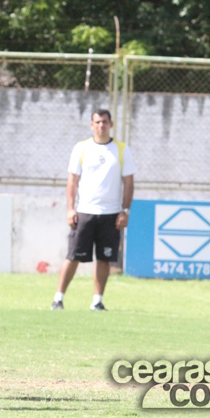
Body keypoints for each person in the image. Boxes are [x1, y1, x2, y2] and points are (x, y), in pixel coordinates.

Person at [51, 109, 136, 311]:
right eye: (97, 122)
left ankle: (97, 301)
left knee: (105, 258)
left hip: (111, 213)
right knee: (74, 255)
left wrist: (125, 210)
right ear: (92, 125)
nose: (101, 126)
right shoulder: (81, 149)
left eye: (105, 122)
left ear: (111, 124)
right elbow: (72, 181)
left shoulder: (122, 150)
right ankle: (58, 298)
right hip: (85, 211)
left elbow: (129, 182)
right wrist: (71, 208)